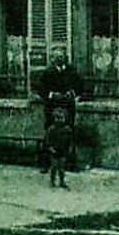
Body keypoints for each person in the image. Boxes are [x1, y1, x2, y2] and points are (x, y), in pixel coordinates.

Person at [36, 50, 84, 185]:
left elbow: (80, 86)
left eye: (61, 57)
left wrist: (72, 93)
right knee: (51, 135)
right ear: (53, 59)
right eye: (57, 57)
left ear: (65, 58)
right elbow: (40, 89)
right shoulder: (48, 72)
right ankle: (47, 164)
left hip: (68, 108)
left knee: (68, 135)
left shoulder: (71, 72)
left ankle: (70, 163)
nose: (59, 59)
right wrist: (52, 95)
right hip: (52, 107)